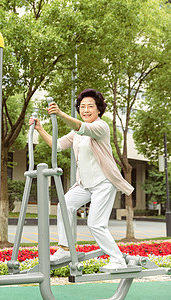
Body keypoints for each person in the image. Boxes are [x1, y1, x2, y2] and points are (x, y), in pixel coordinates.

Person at [29, 88, 134, 270]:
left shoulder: (101, 127)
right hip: (84, 184)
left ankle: (117, 259)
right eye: (82, 106)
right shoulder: (76, 133)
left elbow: (80, 127)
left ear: (98, 109)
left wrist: (60, 113)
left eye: (90, 106)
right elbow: (57, 144)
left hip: (104, 183)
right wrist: (40, 129)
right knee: (64, 204)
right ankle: (64, 248)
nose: (86, 110)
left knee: (95, 223)